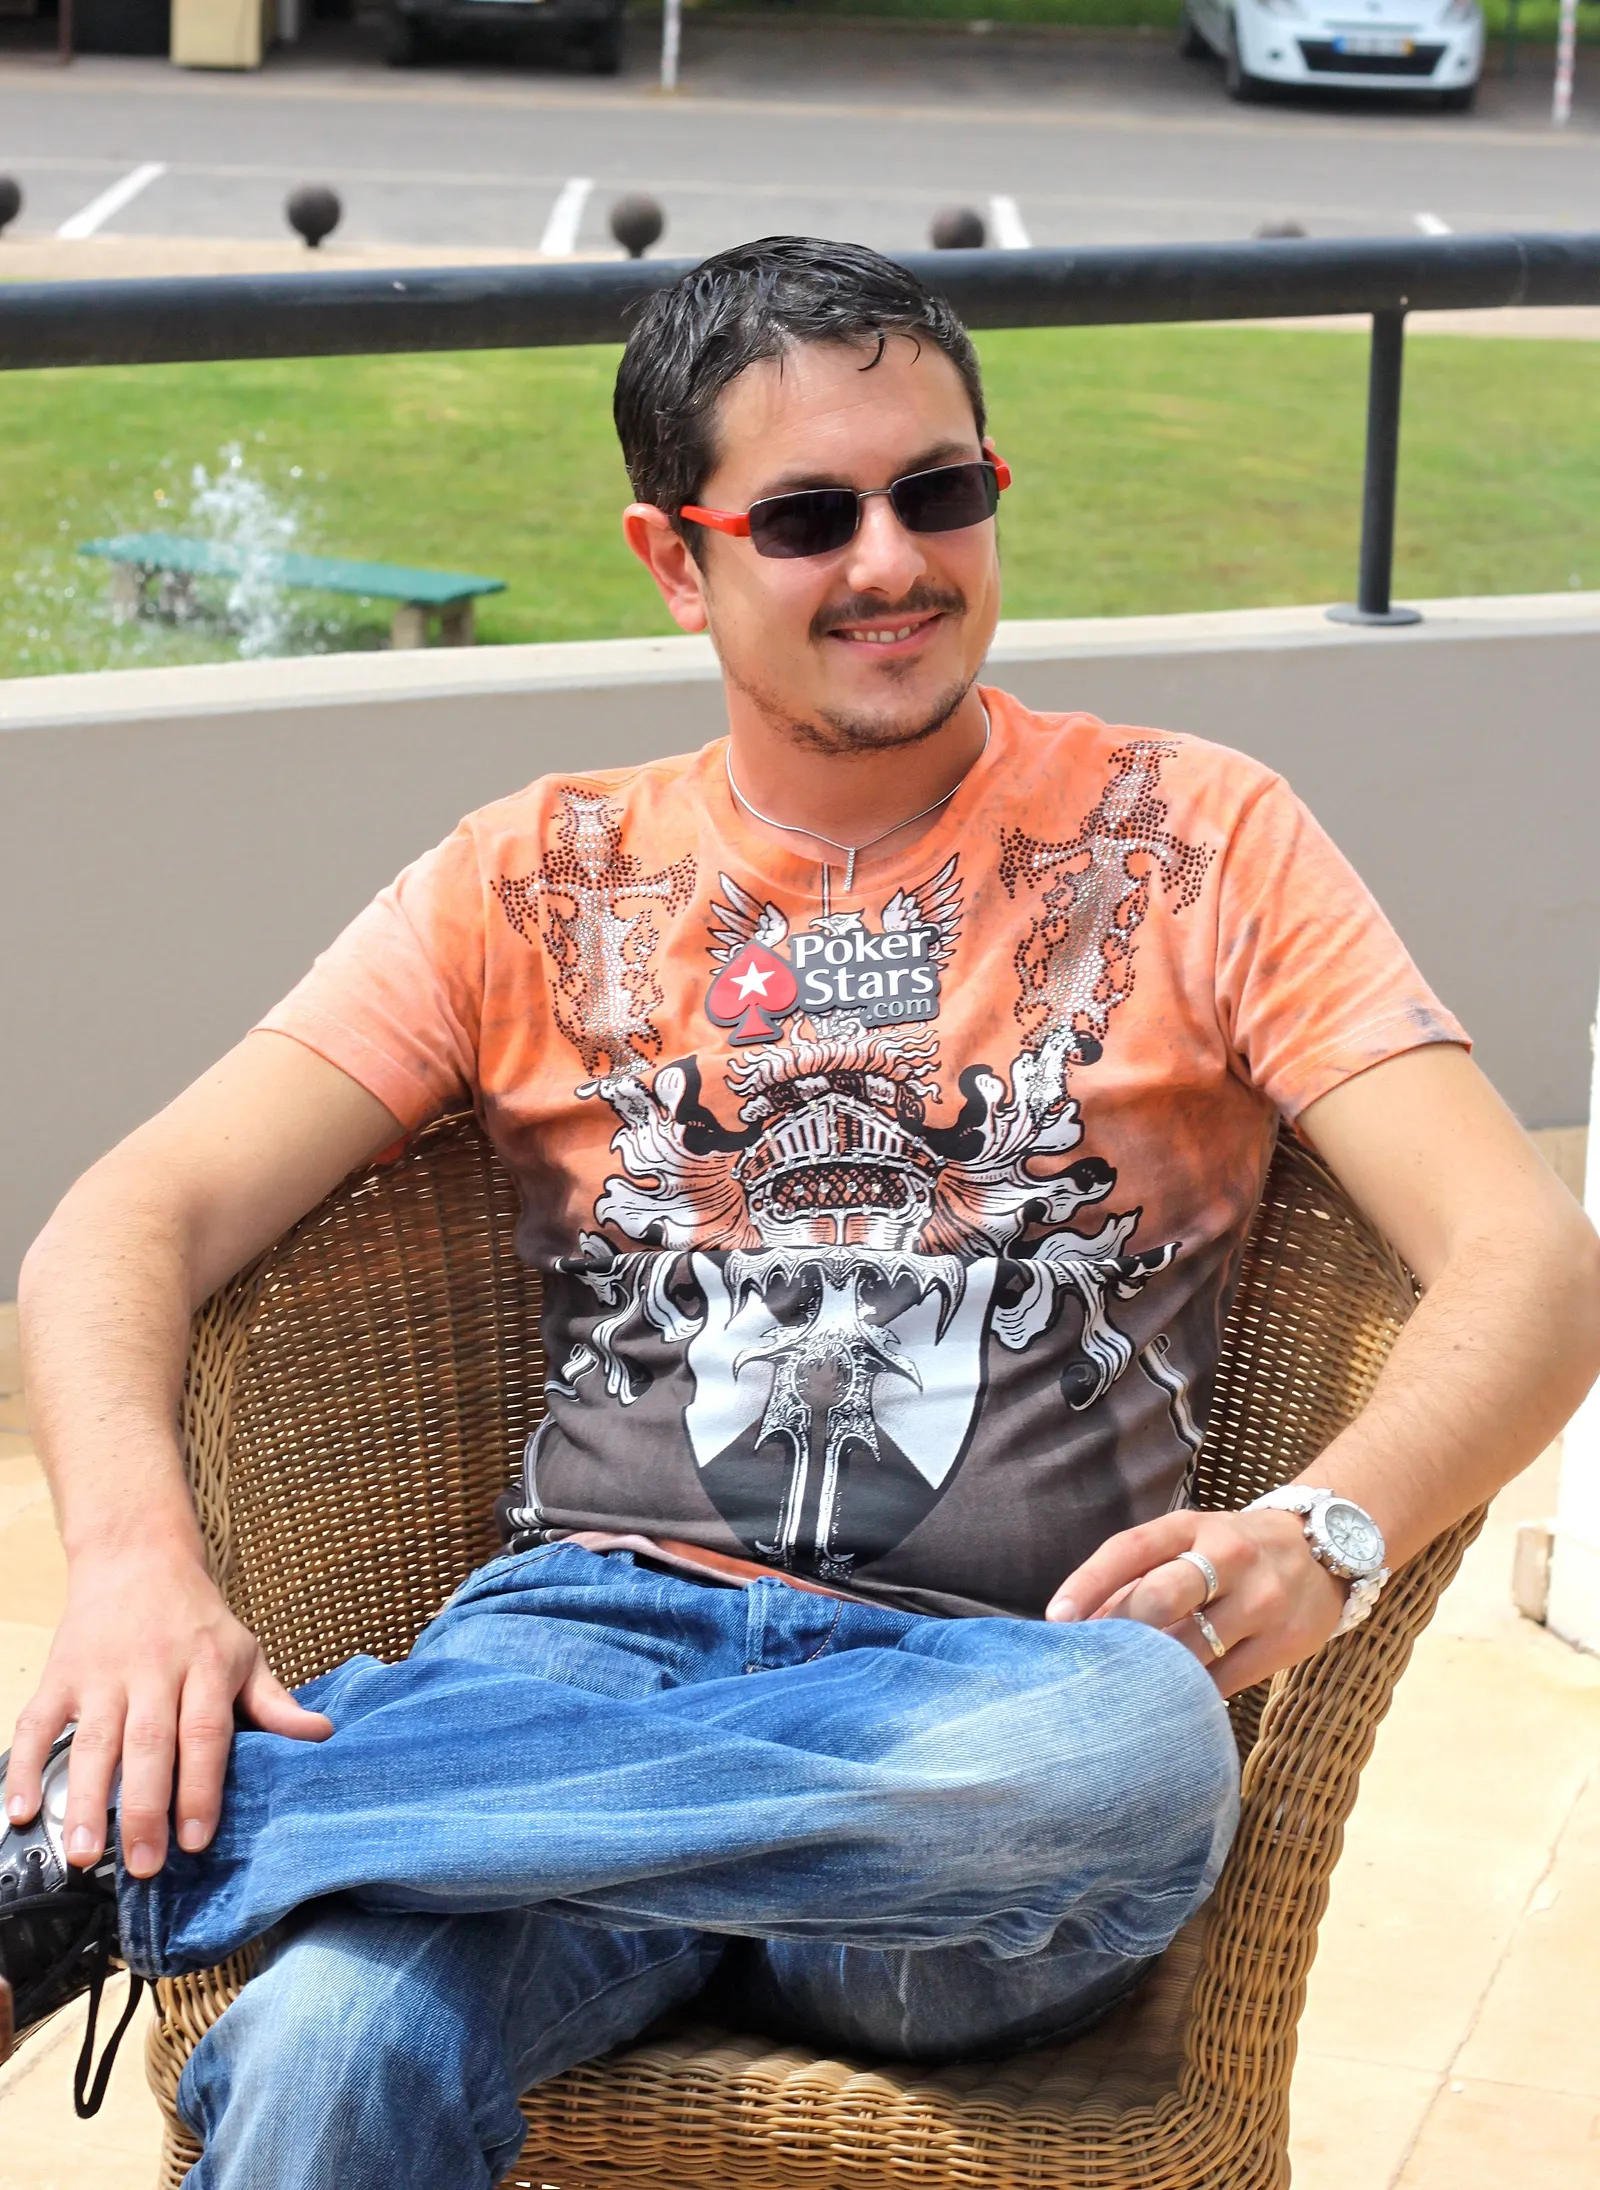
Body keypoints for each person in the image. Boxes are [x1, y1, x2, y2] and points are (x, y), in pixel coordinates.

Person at [2, 237, 1597, 2184]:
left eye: (938, 490)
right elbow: (128, 1216)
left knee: (1131, 1753)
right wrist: (133, 1567)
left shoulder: (1196, 840)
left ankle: (169, 1846)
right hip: (584, 1647)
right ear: (675, 562)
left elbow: (1527, 1256)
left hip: (975, 1724)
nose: (891, 561)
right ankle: (394, 1826)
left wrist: (1324, 1531)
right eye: (806, 516)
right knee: (330, 2045)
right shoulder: (537, 877)